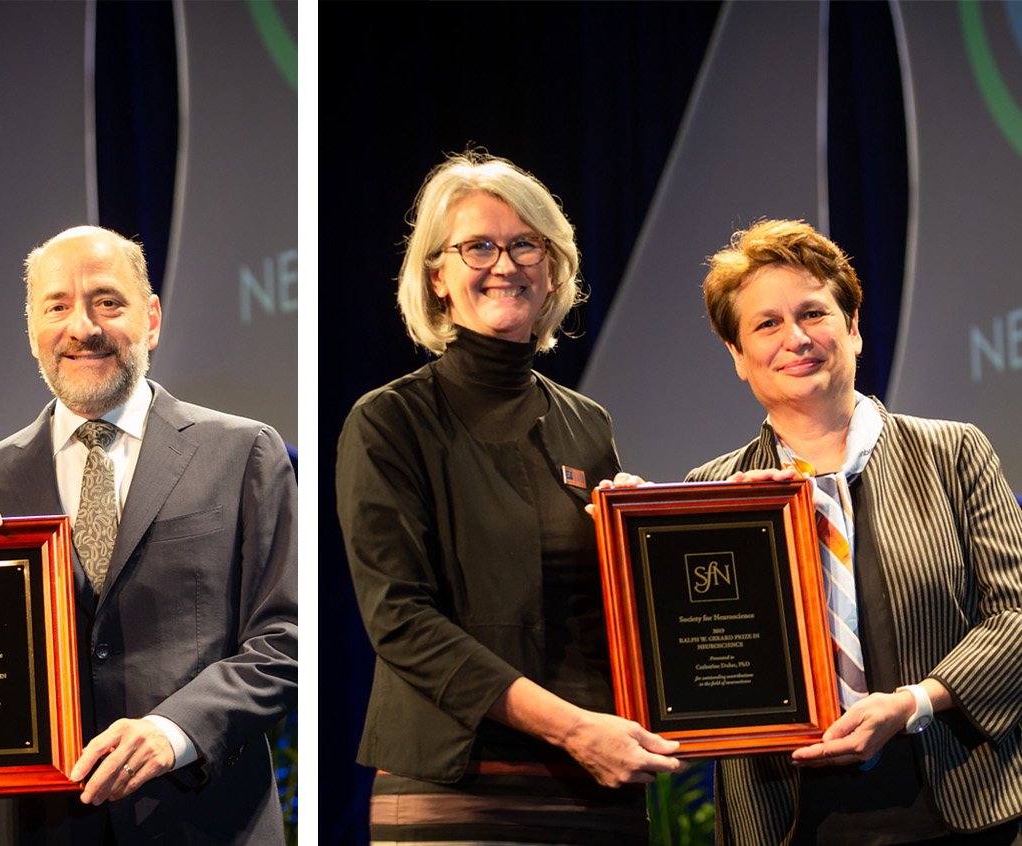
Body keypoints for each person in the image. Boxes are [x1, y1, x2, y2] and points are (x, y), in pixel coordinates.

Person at [334, 150, 683, 846]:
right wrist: (573, 729)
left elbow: (608, 613)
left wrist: (639, 542)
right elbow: (400, 621)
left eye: (526, 244)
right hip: (456, 787)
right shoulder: (388, 420)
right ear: (437, 275)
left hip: (598, 785)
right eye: (478, 246)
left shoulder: (588, 424)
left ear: (553, 267)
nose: (505, 263)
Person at [0, 225, 297, 845]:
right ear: (32, 330)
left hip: (208, 823)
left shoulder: (244, 453)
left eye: (107, 301)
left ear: (150, 319)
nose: (82, 327)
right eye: (57, 306)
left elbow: (289, 640)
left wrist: (173, 732)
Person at [690, 219, 1022, 844]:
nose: (795, 337)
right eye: (765, 324)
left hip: (964, 810)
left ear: (854, 329)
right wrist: (628, 550)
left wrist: (916, 702)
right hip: (788, 822)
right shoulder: (712, 492)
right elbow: (697, 668)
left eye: (814, 313)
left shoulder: (953, 453)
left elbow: (1018, 617)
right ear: (737, 356)